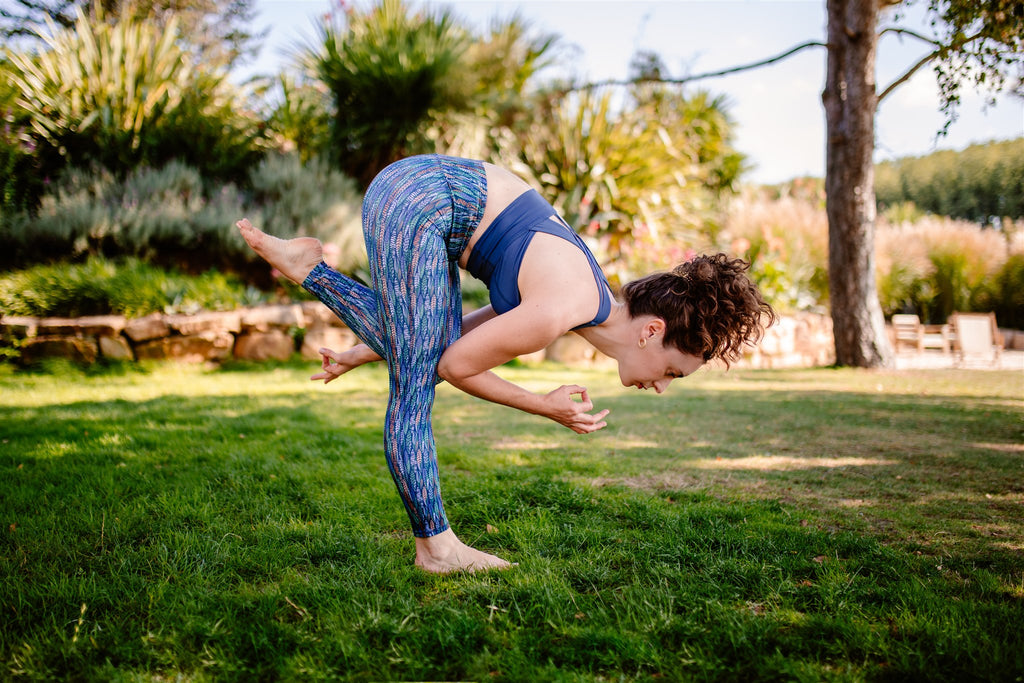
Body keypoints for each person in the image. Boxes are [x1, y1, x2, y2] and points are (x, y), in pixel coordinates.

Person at [236, 154, 775, 574]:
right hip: (423, 197)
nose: (662, 387)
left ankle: (310, 269)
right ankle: (437, 550)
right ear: (652, 331)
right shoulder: (562, 307)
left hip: (422, 194)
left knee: (419, 357)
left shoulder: (578, 296)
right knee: (416, 382)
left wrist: (361, 350)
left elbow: (459, 333)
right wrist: (543, 406)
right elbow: (455, 365)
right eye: (672, 372)